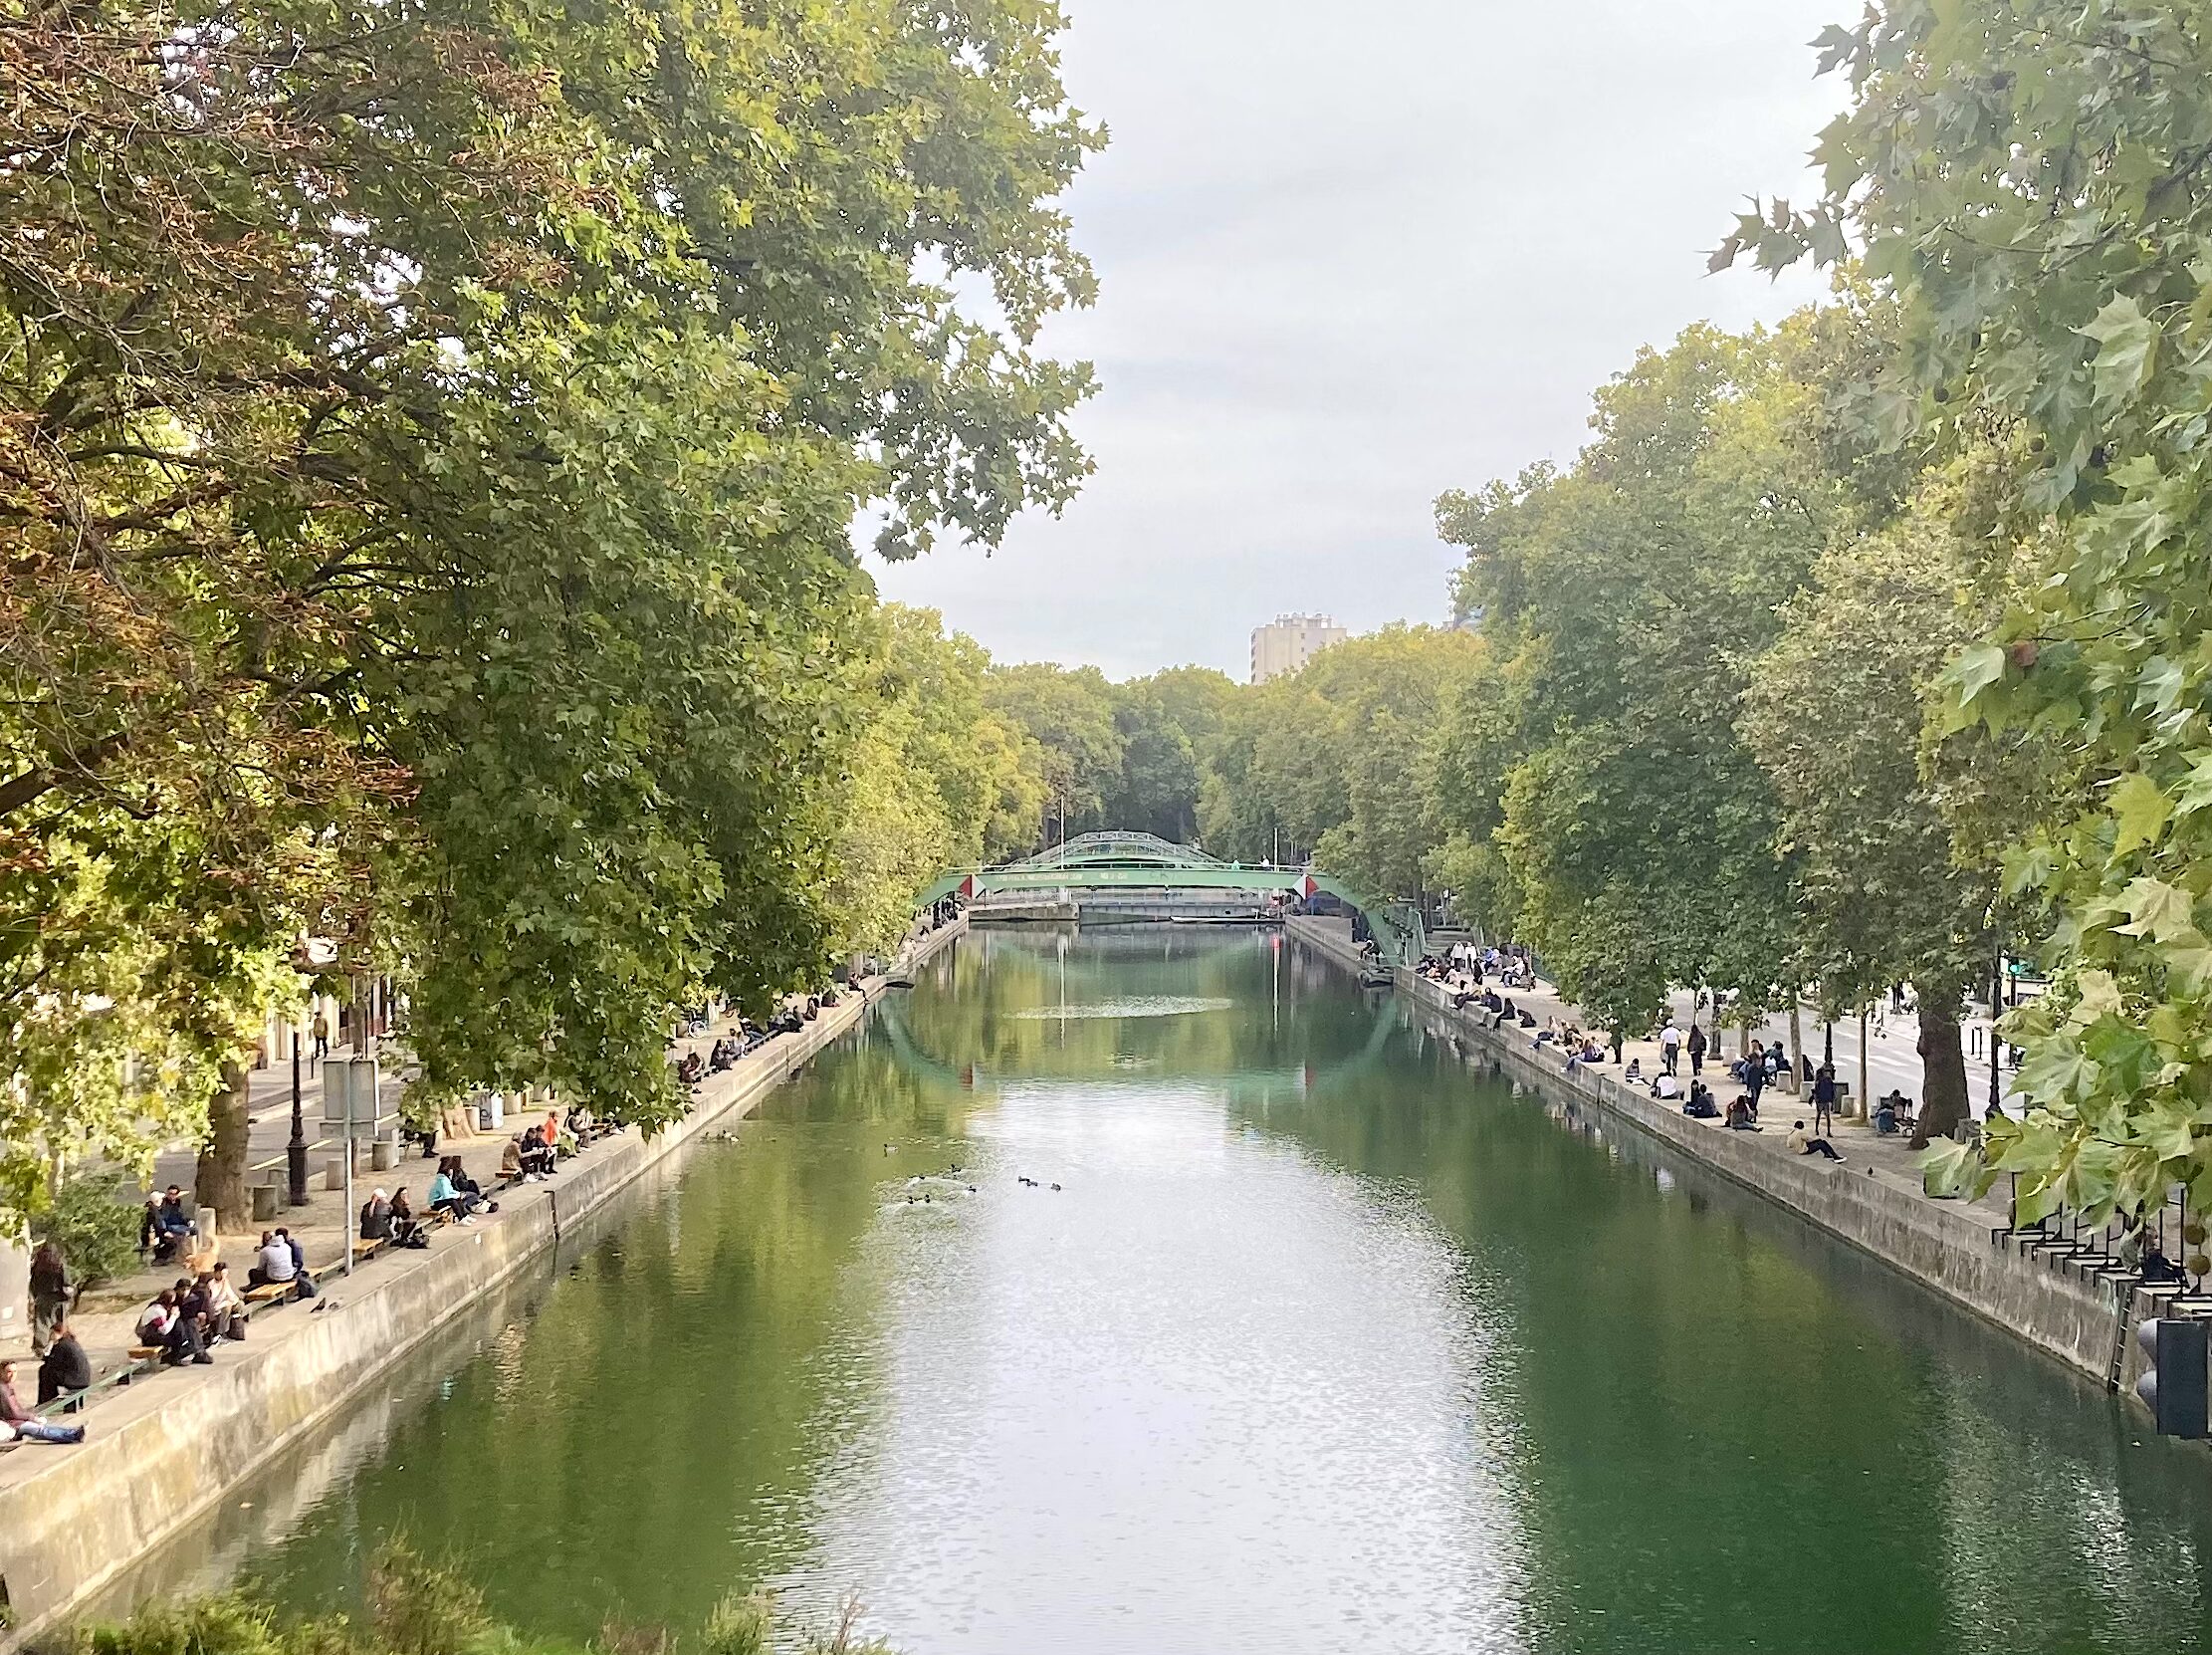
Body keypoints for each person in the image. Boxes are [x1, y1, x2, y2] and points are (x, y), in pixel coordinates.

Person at [0, 1359, 86, 1445]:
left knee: (42, 1426)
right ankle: (73, 1435)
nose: (13, 1375)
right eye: (9, 1372)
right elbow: (13, 1413)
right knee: (39, 1429)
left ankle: (73, 1432)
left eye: (15, 1371)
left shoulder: (6, 1386)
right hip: (11, 1424)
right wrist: (32, 1417)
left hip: (14, 1421)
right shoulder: (3, 1390)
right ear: (1, 1372)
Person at [29, 1239, 69, 1356]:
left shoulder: (38, 1265)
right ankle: (60, 1346)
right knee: (59, 1323)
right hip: (58, 1298)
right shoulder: (58, 1263)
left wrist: (34, 1296)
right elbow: (66, 1281)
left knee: (42, 1324)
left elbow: (32, 1282)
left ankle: (40, 1348)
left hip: (42, 1298)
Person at [38, 1322, 92, 1407]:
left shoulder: (62, 1345)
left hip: (76, 1380)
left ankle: (46, 1401)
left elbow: (53, 1363)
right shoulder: (70, 1342)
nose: (50, 1336)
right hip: (82, 1378)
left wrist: (50, 1345)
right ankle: (47, 1399)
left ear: (56, 1333)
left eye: (52, 1333)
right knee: (48, 1371)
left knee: (45, 1372)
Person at [145, 1185, 193, 1264]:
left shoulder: (157, 1209)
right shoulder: (155, 1211)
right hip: (160, 1232)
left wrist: (186, 1221)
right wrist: (164, 1232)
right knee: (175, 1239)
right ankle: (162, 1258)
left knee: (186, 1233)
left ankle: (179, 1256)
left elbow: (177, 1216)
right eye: (161, 1199)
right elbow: (158, 1224)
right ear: (157, 1201)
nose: (162, 1200)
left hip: (164, 1230)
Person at [206, 1263, 248, 1341]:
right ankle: (220, 1331)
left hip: (226, 1302)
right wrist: (223, 1290)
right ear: (217, 1273)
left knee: (240, 1304)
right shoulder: (211, 1284)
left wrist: (233, 1300)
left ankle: (234, 1330)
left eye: (226, 1273)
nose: (224, 1276)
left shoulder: (225, 1281)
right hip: (216, 1305)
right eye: (222, 1273)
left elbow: (231, 1295)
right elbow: (214, 1299)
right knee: (226, 1308)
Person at [1812, 1061, 1839, 1135]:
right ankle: (1817, 1130)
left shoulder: (1829, 1081)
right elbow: (1816, 1090)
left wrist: (1832, 1101)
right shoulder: (1820, 1080)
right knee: (1819, 1114)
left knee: (1827, 1116)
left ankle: (1828, 1131)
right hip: (1821, 1099)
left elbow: (1832, 1092)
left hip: (1826, 1100)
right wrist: (1817, 1099)